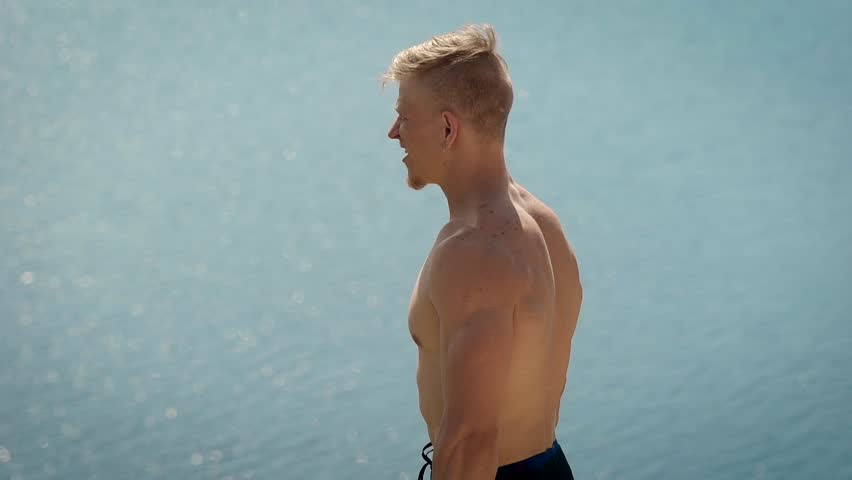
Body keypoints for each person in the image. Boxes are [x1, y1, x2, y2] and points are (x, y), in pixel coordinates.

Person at [383, 24, 584, 479]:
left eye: (405, 117)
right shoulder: (542, 223)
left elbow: (471, 439)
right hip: (548, 464)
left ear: (448, 128)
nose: (394, 132)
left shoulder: (473, 252)